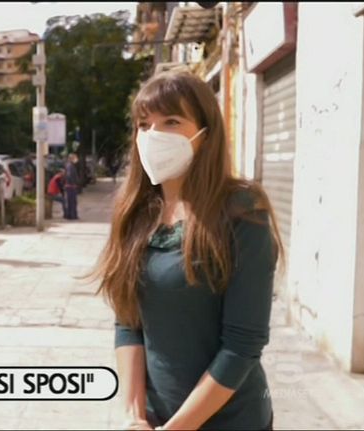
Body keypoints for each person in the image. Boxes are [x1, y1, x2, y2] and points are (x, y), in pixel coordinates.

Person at [91, 70, 283, 430]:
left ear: (205, 134)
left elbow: (242, 345)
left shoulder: (242, 211)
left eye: (171, 121)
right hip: (154, 416)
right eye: (144, 124)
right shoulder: (135, 213)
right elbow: (128, 322)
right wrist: (135, 417)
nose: (153, 135)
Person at [64, 153, 80, 220]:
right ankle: (72, 215)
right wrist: (73, 184)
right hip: (71, 186)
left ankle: (71, 215)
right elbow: (69, 175)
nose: (76, 159)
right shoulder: (70, 166)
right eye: (75, 158)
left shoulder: (69, 165)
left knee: (71, 201)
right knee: (72, 201)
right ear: (72, 158)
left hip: (70, 186)